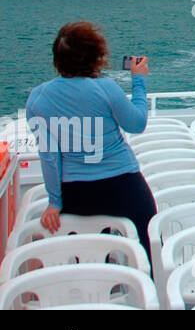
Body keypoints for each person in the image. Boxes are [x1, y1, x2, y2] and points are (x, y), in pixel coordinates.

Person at [26, 22, 157, 272]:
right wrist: (139, 81)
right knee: (146, 239)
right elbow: (137, 123)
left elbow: (49, 156)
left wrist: (55, 202)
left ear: (57, 60)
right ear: (97, 58)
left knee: (83, 251)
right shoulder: (106, 89)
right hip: (122, 187)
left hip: (76, 194)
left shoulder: (38, 98)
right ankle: (147, 288)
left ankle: (91, 284)